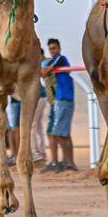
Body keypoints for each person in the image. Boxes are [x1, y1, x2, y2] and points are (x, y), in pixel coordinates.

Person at [40, 38, 77, 173]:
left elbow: (45, 72)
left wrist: (42, 69)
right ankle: (66, 162)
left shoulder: (61, 59)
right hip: (60, 100)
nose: (52, 51)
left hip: (64, 100)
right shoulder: (52, 61)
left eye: (54, 48)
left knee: (60, 134)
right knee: (62, 134)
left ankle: (69, 163)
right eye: (50, 49)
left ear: (59, 48)